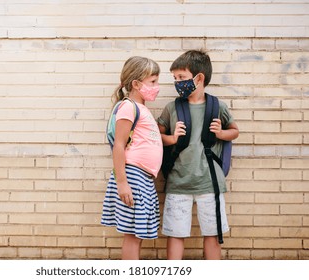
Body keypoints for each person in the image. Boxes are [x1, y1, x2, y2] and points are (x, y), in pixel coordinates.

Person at [158, 50, 239, 260]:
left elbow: (235, 131)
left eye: (181, 77)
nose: (177, 83)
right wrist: (172, 138)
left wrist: (221, 133)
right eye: (175, 78)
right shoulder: (172, 108)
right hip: (178, 181)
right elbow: (156, 135)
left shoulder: (217, 106)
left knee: (212, 234)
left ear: (199, 78)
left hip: (210, 183)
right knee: (176, 234)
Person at [101, 56, 163, 260]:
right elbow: (118, 145)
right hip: (133, 176)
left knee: (138, 234)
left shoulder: (142, 109)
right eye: (153, 81)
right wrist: (122, 183)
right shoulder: (129, 107)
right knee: (133, 236)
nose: (157, 86)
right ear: (136, 84)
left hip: (143, 178)